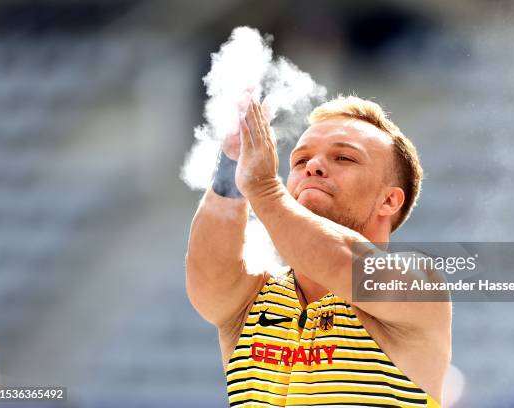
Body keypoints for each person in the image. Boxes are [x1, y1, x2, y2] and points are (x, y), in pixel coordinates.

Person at [186, 95, 452, 407]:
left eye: (344, 158)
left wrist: (264, 189)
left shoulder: (417, 282)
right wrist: (231, 165)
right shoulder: (252, 297)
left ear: (389, 200)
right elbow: (207, 274)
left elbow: (338, 262)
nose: (313, 166)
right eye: (300, 161)